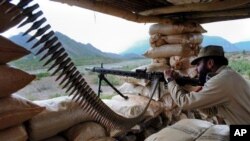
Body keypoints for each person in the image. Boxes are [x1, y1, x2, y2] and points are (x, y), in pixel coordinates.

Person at [164, 45, 250, 125]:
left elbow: (184, 103)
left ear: (210, 63)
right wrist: (198, 100)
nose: (197, 70)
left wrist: (170, 80)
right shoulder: (229, 75)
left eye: (198, 65)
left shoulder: (221, 80)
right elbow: (212, 111)